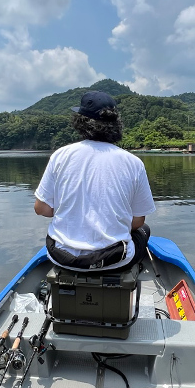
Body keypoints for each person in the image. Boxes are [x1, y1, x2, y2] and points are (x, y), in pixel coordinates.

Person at [34, 90, 155, 272]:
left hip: (61, 257)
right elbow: (138, 221)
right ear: (115, 124)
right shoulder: (133, 162)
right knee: (144, 229)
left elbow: (41, 208)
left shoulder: (60, 156)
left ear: (80, 122)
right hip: (113, 260)